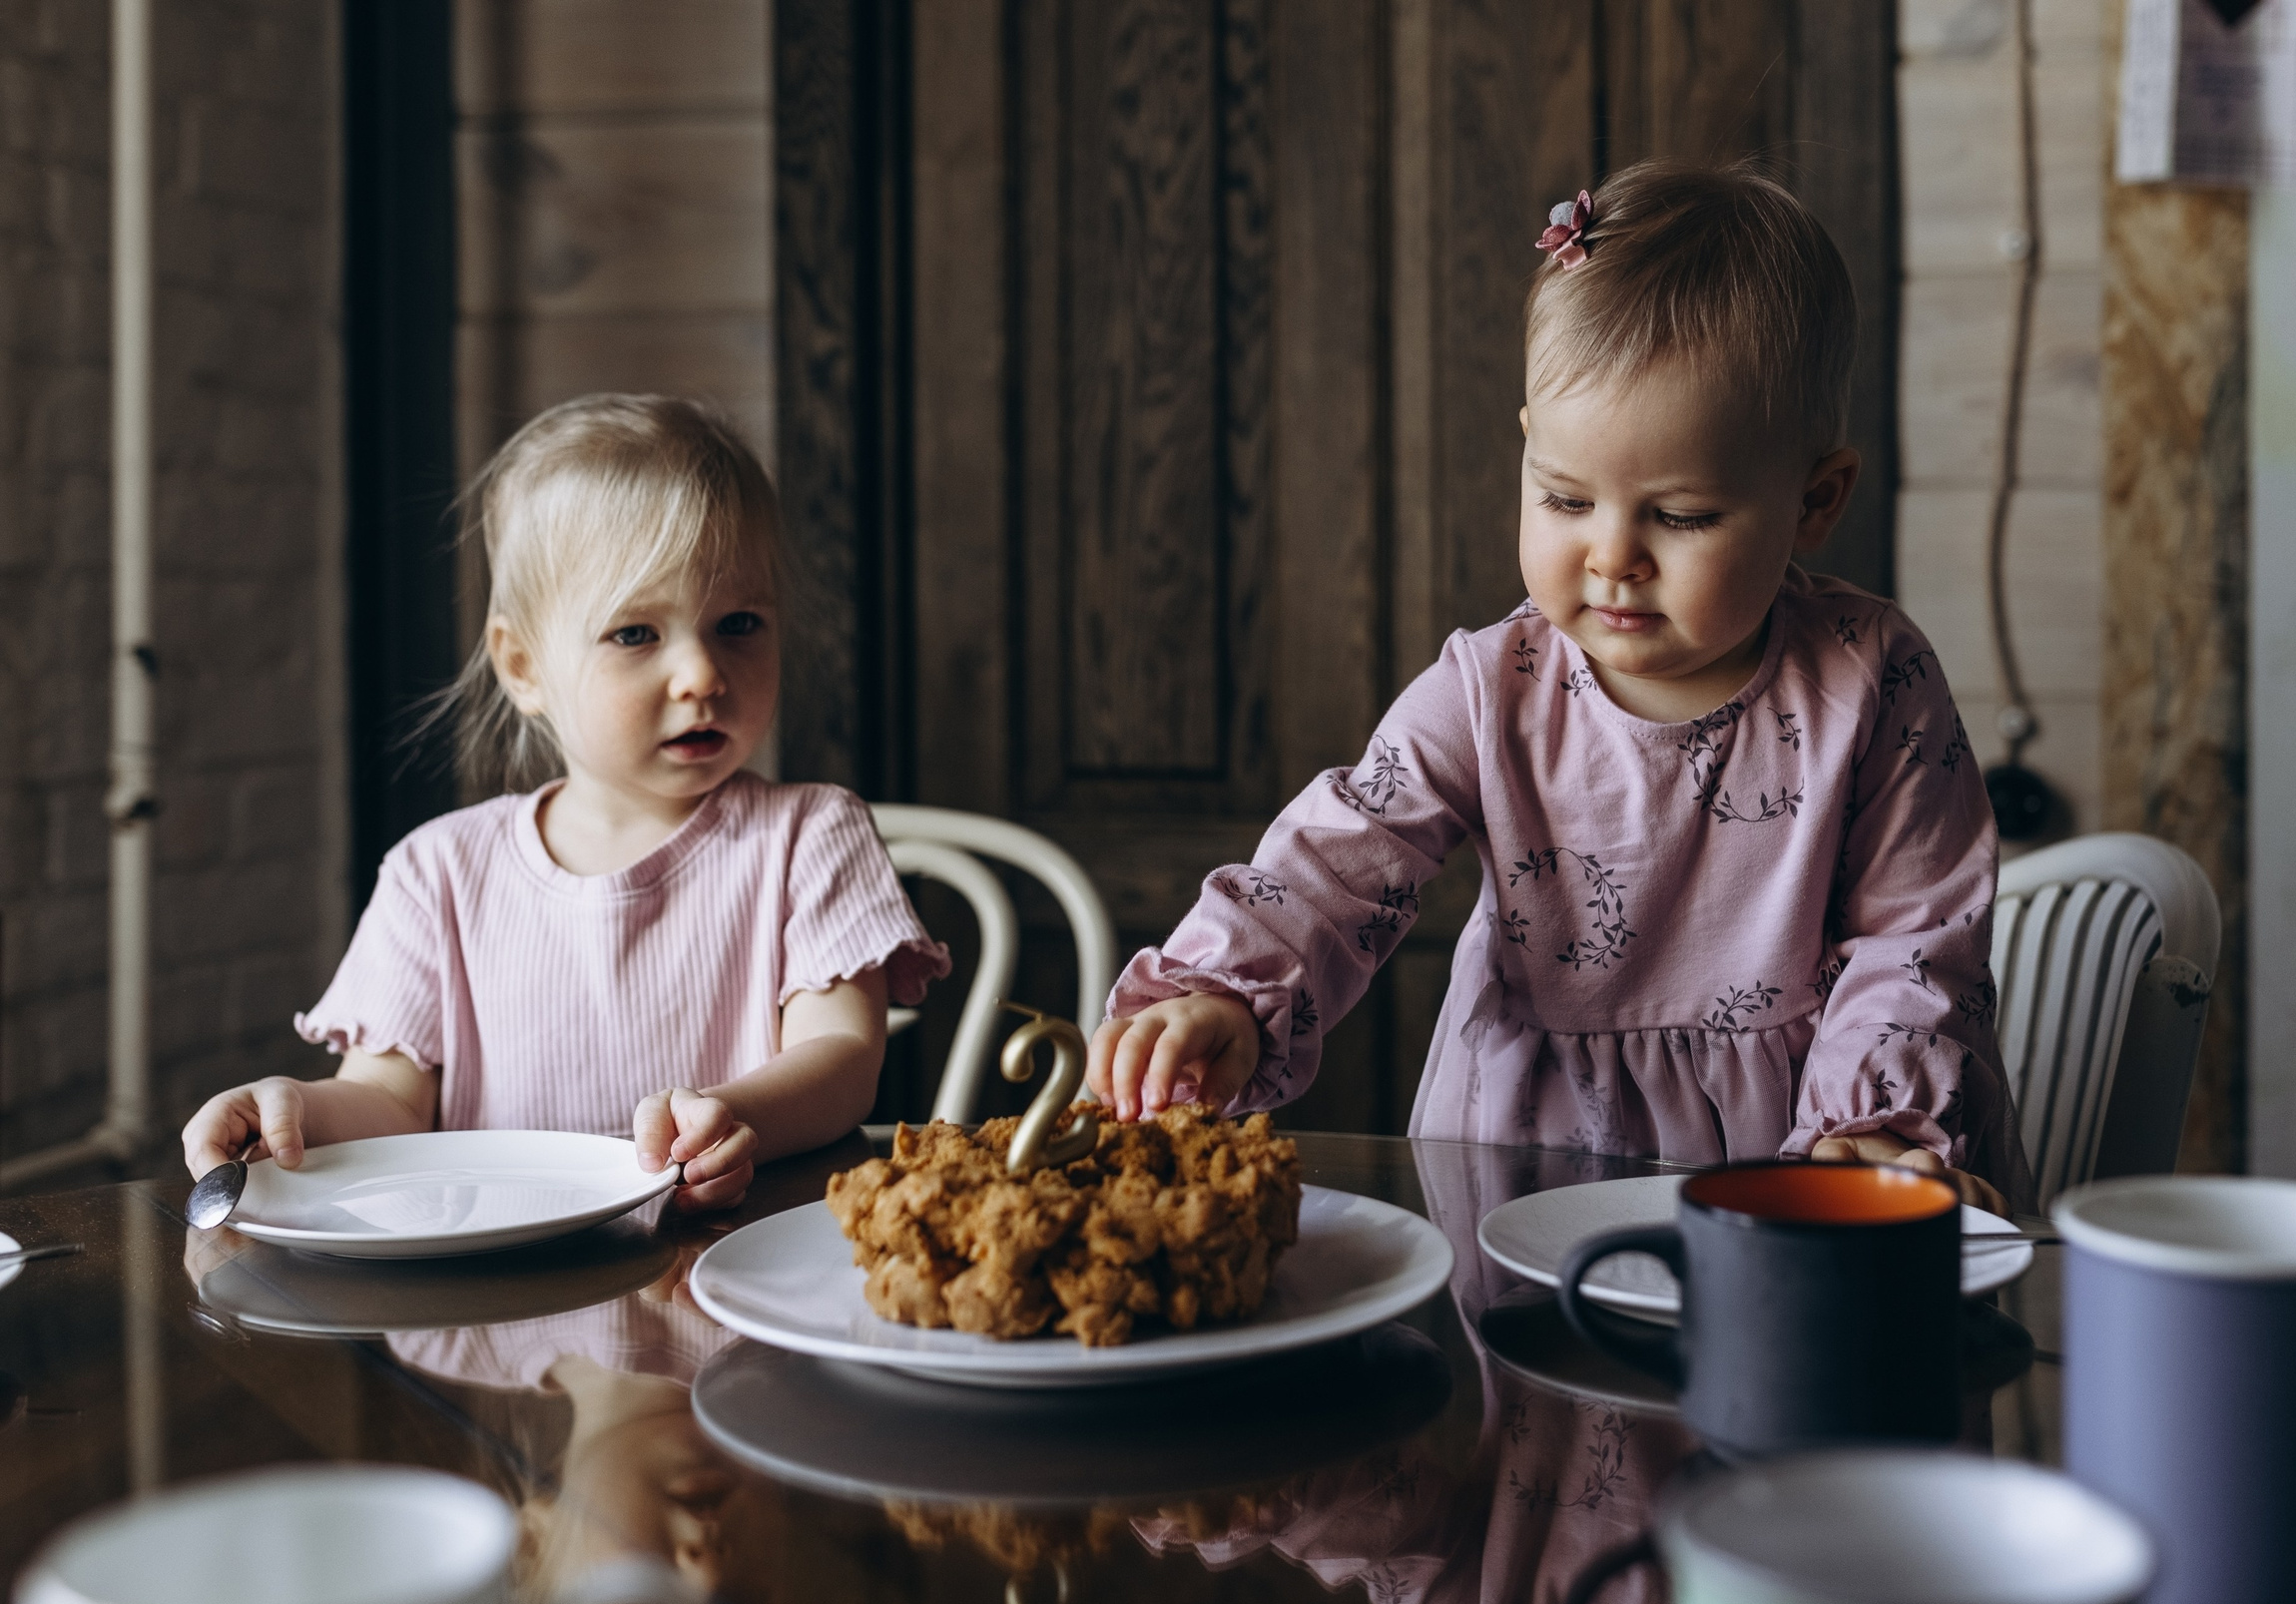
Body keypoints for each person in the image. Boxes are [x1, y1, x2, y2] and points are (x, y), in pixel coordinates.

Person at [1088, 162, 2027, 1212]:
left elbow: (1915, 938)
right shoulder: (1492, 689)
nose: (1611, 556)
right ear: (1528, 451)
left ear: (1814, 500)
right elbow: (1338, 860)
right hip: (1522, 1155)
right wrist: (1225, 990)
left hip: (1795, 1160)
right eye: (1566, 498)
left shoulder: (1871, 679)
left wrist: (1871, 1127)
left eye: (1680, 517)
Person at [180, 394, 947, 1211]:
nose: (701, 674)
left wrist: (737, 1114)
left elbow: (843, 1056)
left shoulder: (809, 834)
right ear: (523, 668)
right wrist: (295, 1110)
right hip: (497, 1295)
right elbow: (392, 1101)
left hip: (727, 1267)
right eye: (636, 634)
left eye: (739, 622)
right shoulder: (437, 872)